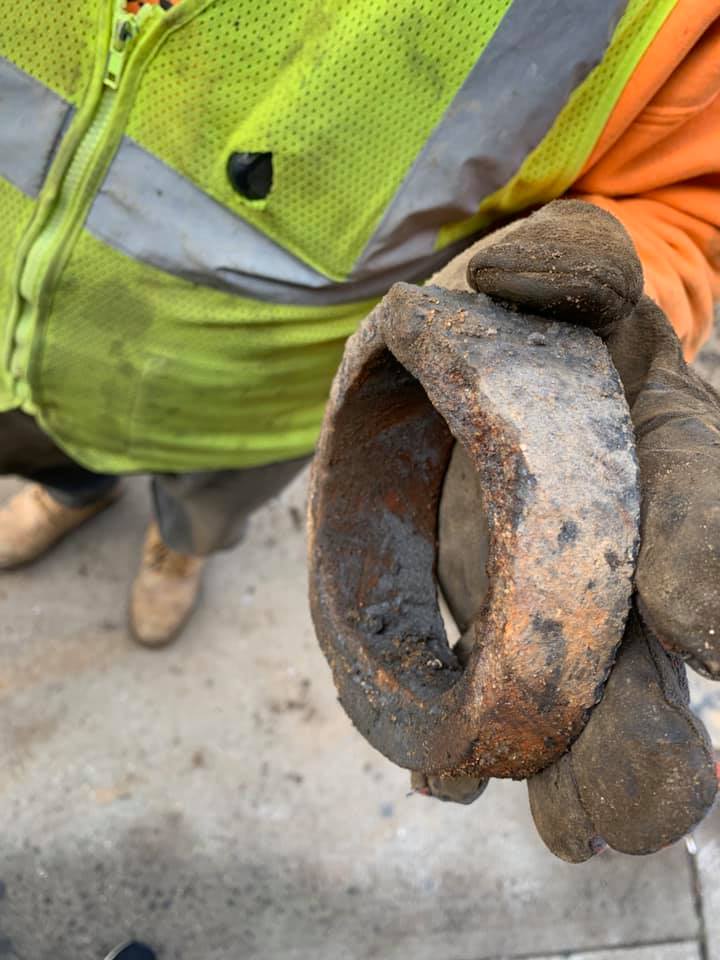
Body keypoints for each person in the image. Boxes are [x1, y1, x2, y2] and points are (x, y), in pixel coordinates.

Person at [1, 0, 719, 852]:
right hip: (24, 363)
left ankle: (178, 545)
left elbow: (686, 197)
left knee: (205, 506)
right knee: (50, 455)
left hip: (261, 410)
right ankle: (71, 495)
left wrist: (598, 323)